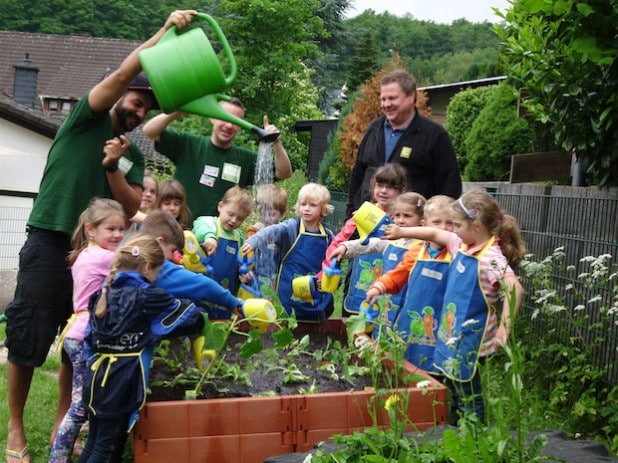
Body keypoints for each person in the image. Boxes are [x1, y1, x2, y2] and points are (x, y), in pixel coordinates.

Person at [4, 9, 198, 461]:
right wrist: (166, 30)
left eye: (146, 110)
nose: (138, 112)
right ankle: (15, 428)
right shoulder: (85, 120)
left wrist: (113, 166)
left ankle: (61, 421)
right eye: (136, 102)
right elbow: (125, 69)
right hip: (51, 240)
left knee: (83, 338)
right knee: (28, 336)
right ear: (120, 98)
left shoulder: (129, 153)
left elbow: (132, 206)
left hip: (93, 256)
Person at [383, 189, 526, 424]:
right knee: (453, 381)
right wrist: (402, 232)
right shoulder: (461, 243)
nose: (451, 230)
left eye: (457, 224)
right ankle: (455, 424)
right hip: (453, 332)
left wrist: (504, 328)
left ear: (477, 225)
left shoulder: (491, 257)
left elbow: (514, 288)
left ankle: (473, 434)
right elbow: (433, 232)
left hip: (473, 338)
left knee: (467, 389)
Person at [78, 234, 205, 462]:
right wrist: (156, 330)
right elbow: (191, 317)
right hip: (122, 380)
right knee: (107, 449)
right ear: (147, 267)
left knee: (95, 441)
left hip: (96, 376)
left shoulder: (102, 293)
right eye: (157, 273)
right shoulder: (147, 295)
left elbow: (89, 338)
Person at [49, 198, 126, 463]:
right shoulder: (106, 257)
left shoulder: (86, 253)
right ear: (91, 229)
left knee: (83, 402)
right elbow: (137, 263)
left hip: (75, 333)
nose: (118, 235)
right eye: (111, 229)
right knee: (80, 406)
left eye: (121, 229)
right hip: (85, 336)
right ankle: (57, 458)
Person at [142, 100, 293, 218]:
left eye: (235, 121)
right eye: (224, 117)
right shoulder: (188, 144)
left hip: (219, 239)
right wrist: (177, 112)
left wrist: (276, 143)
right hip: (179, 232)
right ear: (212, 118)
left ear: (240, 126)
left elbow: (284, 173)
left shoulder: (244, 158)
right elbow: (149, 131)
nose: (228, 125)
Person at [346, 68, 462, 219]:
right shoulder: (374, 128)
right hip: (366, 224)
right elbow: (358, 174)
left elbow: (450, 185)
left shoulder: (435, 135)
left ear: (411, 96)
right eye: (383, 99)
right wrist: (350, 214)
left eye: (392, 98)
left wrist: (438, 224)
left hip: (411, 232)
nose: (386, 104)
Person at [364, 195, 454, 371]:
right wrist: (378, 286)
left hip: (440, 325)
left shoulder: (456, 255)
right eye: (437, 223)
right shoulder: (417, 251)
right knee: (406, 366)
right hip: (412, 321)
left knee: (437, 368)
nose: (444, 229)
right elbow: (398, 274)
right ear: (425, 224)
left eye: (450, 223)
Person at [329, 192, 426, 327]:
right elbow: (370, 244)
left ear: (422, 222)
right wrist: (345, 248)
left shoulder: (423, 247)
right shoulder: (392, 241)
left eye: (407, 216)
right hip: (386, 300)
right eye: (397, 215)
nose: (401, 220)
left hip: (408, 304)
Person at [242, 183, 335, 322]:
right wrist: (254, 241)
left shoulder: (328, 236)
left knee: (314, 320)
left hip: (314, 287)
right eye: (303, 204)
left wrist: (330, 281)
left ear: (323, 209)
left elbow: (334, 262)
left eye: (312, 205)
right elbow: (273, 230)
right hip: (288, 287)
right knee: (286, 320)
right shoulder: (291, 227)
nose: (306, 209)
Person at [324, 163, 407, 317]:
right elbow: (341, 239)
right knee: (352, 321)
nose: (383, 190)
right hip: (359, 275)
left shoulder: (404, 219)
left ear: (401, 190)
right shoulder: (364, 213)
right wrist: (327, 267)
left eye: (390, 187)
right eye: (379, 185)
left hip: (390, 278)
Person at [140, 209, 244, 318]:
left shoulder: (129, 258)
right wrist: (234, 303)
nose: (171, 256)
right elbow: (204, 285)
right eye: (172, 250)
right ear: (159, 242)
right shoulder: (159, 268)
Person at [192, 186, 254, 298]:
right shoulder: (209, 223)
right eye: (230, 214)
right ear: (220, 206)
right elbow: (199, 226)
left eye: (240, 218)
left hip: (224, 289)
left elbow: (239, 260)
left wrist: (243, 271)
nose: (233, 220)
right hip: (200, 285)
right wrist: (209, 237)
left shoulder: (238, 236)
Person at [244, 184, 289, 290]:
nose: (267, 218)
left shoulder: (284, 231)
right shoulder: (255, 231)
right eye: (262, 214)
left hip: (277, 281)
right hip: (255, 279)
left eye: (272, 214)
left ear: (284, 213)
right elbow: (246, 254)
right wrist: (246, 270)